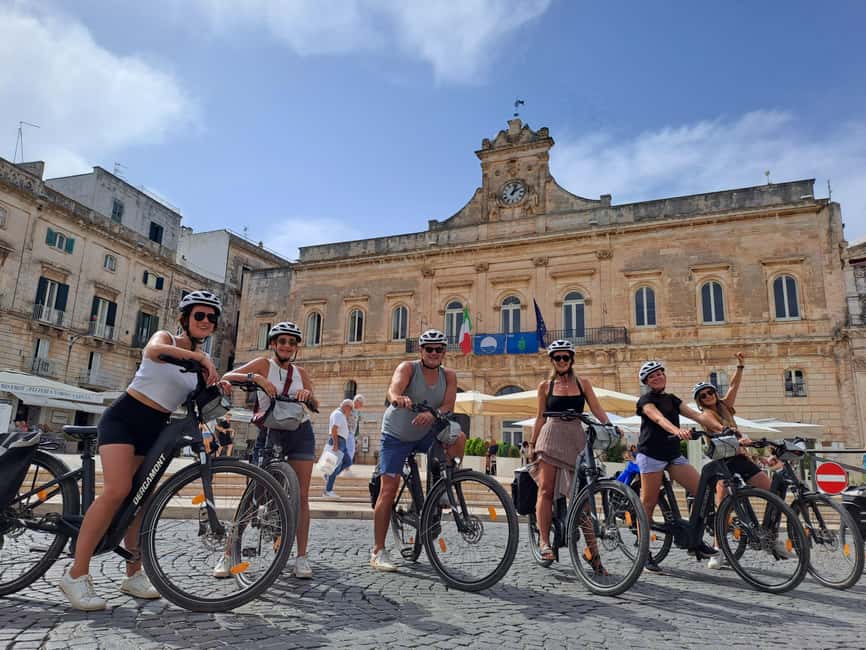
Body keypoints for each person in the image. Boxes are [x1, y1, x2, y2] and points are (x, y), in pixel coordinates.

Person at [59, 290, 223, 611]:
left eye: (211, 318)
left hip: (155, 428)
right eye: (199, 315)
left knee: (141, 500)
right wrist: (201, 359)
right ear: (185, 318)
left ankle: (133, 575)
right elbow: (152, 351)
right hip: (125, 418)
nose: (206, 321)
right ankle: (76, 574)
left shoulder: (202, 364)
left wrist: (222, 382)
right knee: (118, 490)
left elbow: (202, 399)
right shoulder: (167, 340)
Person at [220, 321, 319, 579]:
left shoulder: (301, 372)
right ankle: (228, 553)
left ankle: (301, 557)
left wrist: (307, 395)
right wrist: (256, 378)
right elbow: (228, 376)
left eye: (292, 342)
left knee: (302, 496)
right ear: (273, 344)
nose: (287, 346)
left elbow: (315, 403)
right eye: (282, 341)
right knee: (253, 492)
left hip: (299, 432)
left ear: (296, 347)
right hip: (270, 430)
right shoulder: (264, 364)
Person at [370, 329, 466, 572]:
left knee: (458, 437)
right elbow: (393, 389)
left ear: (444, 352)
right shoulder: (408, 368)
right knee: (388, 490)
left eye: (439, 349)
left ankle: (445, 487)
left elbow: (448, 405)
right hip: (397, 434)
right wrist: (398, 398)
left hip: (426, 431)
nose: (434, 353)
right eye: (429, 349)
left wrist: (433, 414)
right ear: (421, 351)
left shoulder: (449, 375)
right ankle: (378, 551)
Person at [528, 340, 613, 563]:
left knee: (583, 498)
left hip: (576, 437)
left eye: (565, 357)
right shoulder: (545, 386)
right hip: (550, 436)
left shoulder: (583, 384)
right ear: (552, 360)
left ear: (572, 359)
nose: (562, 361)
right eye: (557, 357)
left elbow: (597, 408)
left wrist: (610, 425)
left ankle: (593, 554)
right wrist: (532, 444)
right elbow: (540, 417)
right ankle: (544, 542)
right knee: (546, 490)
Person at [692, 352, 776, 569]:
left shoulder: (725, 407)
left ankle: (770, 536)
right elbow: (721, 429)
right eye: (703, 396)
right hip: (723, 463)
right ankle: (717, 550)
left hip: (740, 458)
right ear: (699, 402)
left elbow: (733, 386)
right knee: (723, 509)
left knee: (773, 492)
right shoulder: (706, 415)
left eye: (710, 392)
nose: (708, 396)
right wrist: (739, 438)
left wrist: (740, 366)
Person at [635, 360, 718, 572]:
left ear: (664, 376)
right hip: (651, 455)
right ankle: (643, 553)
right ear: (646, 382)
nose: (657, 377)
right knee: (648, 503)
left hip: (672, 455)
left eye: (659, 373)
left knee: (703, 491)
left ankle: (694, 539)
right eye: (652, 376)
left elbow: (697, 416)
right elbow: (658, 419)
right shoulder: (645, 401)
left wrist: (723, 429)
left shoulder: (672, 399)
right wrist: (676, 431)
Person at [323, 399, 354, 498]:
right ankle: (328, 490)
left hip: (342, 442)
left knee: (348, 462)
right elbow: (334, 429)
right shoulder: (338, 414)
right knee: (334, 466)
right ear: (346, 407)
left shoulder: (340, 414)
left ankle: (328, 476)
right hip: (338, 441)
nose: (351, 412)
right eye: (351, 409)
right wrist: (335, 444)